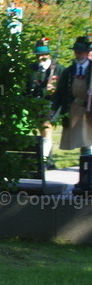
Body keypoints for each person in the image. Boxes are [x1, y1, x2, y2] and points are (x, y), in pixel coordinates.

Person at [52, 37, 92, 192]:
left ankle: (87, 178)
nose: (78, 54)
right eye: (77, 52)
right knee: (83, 144)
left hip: (89, 111)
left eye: (81, 52)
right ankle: (85, 178)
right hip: (74, 111)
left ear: (86, 53)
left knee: (87, 143)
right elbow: (60, 93)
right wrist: (53, 110)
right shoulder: (69, 71)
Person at [26, 38, 64, 169]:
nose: (41, 57)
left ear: (48, 54)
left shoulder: (58, 69)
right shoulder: (31, 68)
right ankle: (50, 161)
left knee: (47, 129)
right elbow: (27, 88)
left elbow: (64, 89)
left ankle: (43, 161)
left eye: (44, 54)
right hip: (36, 104)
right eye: (39, 55)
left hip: (51, 104)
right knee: (42, 132)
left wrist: (54, 90)